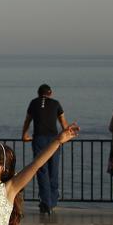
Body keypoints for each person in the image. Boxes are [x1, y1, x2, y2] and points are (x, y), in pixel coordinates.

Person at [22, 84, 69, 214]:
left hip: (39, 139)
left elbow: (27, 121)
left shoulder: (33, 103)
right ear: (51, 93)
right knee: (53, 170)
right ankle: (52, 202)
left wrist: (24, 135)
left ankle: (46, 202)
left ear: (38, 93)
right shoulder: (56, 103)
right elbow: (64, 123)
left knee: (41, 170)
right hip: (54, 140)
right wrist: (68, 135)